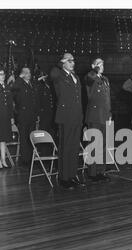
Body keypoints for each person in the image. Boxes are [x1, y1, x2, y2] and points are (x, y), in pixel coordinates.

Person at [50, 53, 84, 189]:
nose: (72, 63)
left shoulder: (75, 76)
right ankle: (64, 178)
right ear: (63, 62)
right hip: (65, 116)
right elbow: (52, 73)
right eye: (69, 61)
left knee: (74, 147)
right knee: (65, 147)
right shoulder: (59, 75)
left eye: (73, 61)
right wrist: (60, 63)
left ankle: (72, 175)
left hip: (76, 116)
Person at [84, 58, 112, 182]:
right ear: (93, 66)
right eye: (98, 63)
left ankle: (101, 171)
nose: (102, 65)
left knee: (104, 145)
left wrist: (110, 113)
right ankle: (93, 172)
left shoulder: (105, 79)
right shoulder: (90, 77)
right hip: (94, 116)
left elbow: (107, 99)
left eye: (102, 63)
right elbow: (89, 77)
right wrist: (96, 68)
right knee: (94, 144)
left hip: (105, 116)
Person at [11, 67, 39, 166]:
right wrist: (19, 78)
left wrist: (36, 114)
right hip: (22, 115)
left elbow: (35, 100)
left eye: (29, 72)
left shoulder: (31, 84)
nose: (29, 74)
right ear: (22, 74)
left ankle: (31, 157)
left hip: (31, 115)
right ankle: (25, 159)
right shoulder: (19, 84)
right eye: (26, 73)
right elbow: (13, 90)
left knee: (31, 137)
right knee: (24, 138)